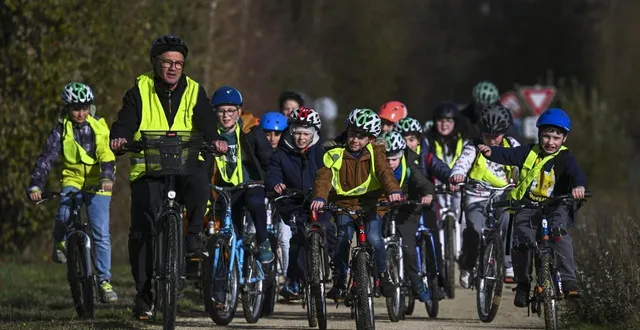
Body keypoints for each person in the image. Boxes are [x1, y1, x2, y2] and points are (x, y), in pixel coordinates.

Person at [109, 35, 222, 319]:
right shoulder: (139, 89)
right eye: (167, 62)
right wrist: (120, 137)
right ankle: (144, 294)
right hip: (149, 166)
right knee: (143, 229)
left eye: (178, 64)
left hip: (185, 162)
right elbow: (126, 119)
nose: (173, 68)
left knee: (200, 178)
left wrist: (215, 139)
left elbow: (208, 121)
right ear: (155, 63)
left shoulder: (195, 91)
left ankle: (194, 234)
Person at [478, 108, 587, 307]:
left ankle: (569, 280)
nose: (550, 142)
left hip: (556, 206)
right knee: (522, 241)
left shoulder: (565, 158)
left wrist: (579, 187)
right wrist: (491, 152)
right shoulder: (528, 152)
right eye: (546, 136)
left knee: (559, 234)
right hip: (527, 206)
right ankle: (523, 284)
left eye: (556, 137)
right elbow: (508, 155)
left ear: (564, 139)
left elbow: (576, 174)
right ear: (539, 135)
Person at [28, 82, 118, 303]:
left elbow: (106, 153)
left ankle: (104, 281)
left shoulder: (98, 126)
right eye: (76, 108)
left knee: (101, 233)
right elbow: (46, 158)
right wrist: (36, 185)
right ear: (67, 108)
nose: (81, 113)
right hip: (74, 179)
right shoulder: (61, 129)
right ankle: (59, 241)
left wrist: (107, 177)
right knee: (63, 213)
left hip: (99, 182)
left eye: (85, 107)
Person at [310, 108, 402, 300]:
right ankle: (340, 279)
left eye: (361, 137)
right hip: (344, 204)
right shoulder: (335, 152)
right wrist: (320, 197)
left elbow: (385, 173)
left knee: (374, 239)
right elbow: (323, 177)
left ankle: (383, 277)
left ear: (370, 138)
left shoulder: (376, 152)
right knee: (343, 237)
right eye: (352, 134)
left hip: (372, 204)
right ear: (347, 132)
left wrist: (393, 191)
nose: (355, 140)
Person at [266, 106, 336, 300]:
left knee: (329, 233)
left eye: (306, 133)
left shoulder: (323, 151)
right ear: (290, 132)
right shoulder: (281, 154)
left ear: (314, 133)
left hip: (320, 202)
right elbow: (273, 172)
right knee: (297, 238)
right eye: (297, 132)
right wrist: (275, 184)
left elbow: (332, 172)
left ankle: (339, 275)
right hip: (294, 202)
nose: (301, 137)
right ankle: (295, 281)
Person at [449, 104, 520, 288]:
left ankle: (508, 264)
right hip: (476, 196)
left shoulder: (512, 145)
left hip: (503, 194)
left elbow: (525, 165)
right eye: (487, 135)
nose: (492, 139)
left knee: (508, 220)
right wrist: (457, 175)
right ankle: (468, 265)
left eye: (496, 135)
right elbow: (462, 163)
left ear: (504, 132)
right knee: (473, 229)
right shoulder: (472, 146)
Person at [209, 86, 274, 264]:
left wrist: (274, 182)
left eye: (231, 110)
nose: (226, 115)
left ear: (239, 111)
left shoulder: (250, 130)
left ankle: (263, 241)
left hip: (251, 184)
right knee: (230, 230)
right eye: (221, 111)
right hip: (225, 189)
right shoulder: (210, 133)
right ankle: (234, 270)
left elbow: (268, 159)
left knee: (255, 202)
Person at [381, 131, 438, 302]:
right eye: (387, 159)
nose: (390, 163)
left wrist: (427, 195)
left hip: (407, 212)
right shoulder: (377, 168)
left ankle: (417, 283)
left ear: (400, 156)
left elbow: (423, 183)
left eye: (394, 159)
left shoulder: (409, 167)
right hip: (383, 211)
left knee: (408, 248)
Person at [259, 111, 294, 299]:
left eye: (277, 134)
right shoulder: (256, 150)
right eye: (267, 133)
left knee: (285, 238)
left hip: (284, 199)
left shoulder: (287, 152)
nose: (272, 138)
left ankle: (290, 280)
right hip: (264, 197)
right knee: (256, 233)